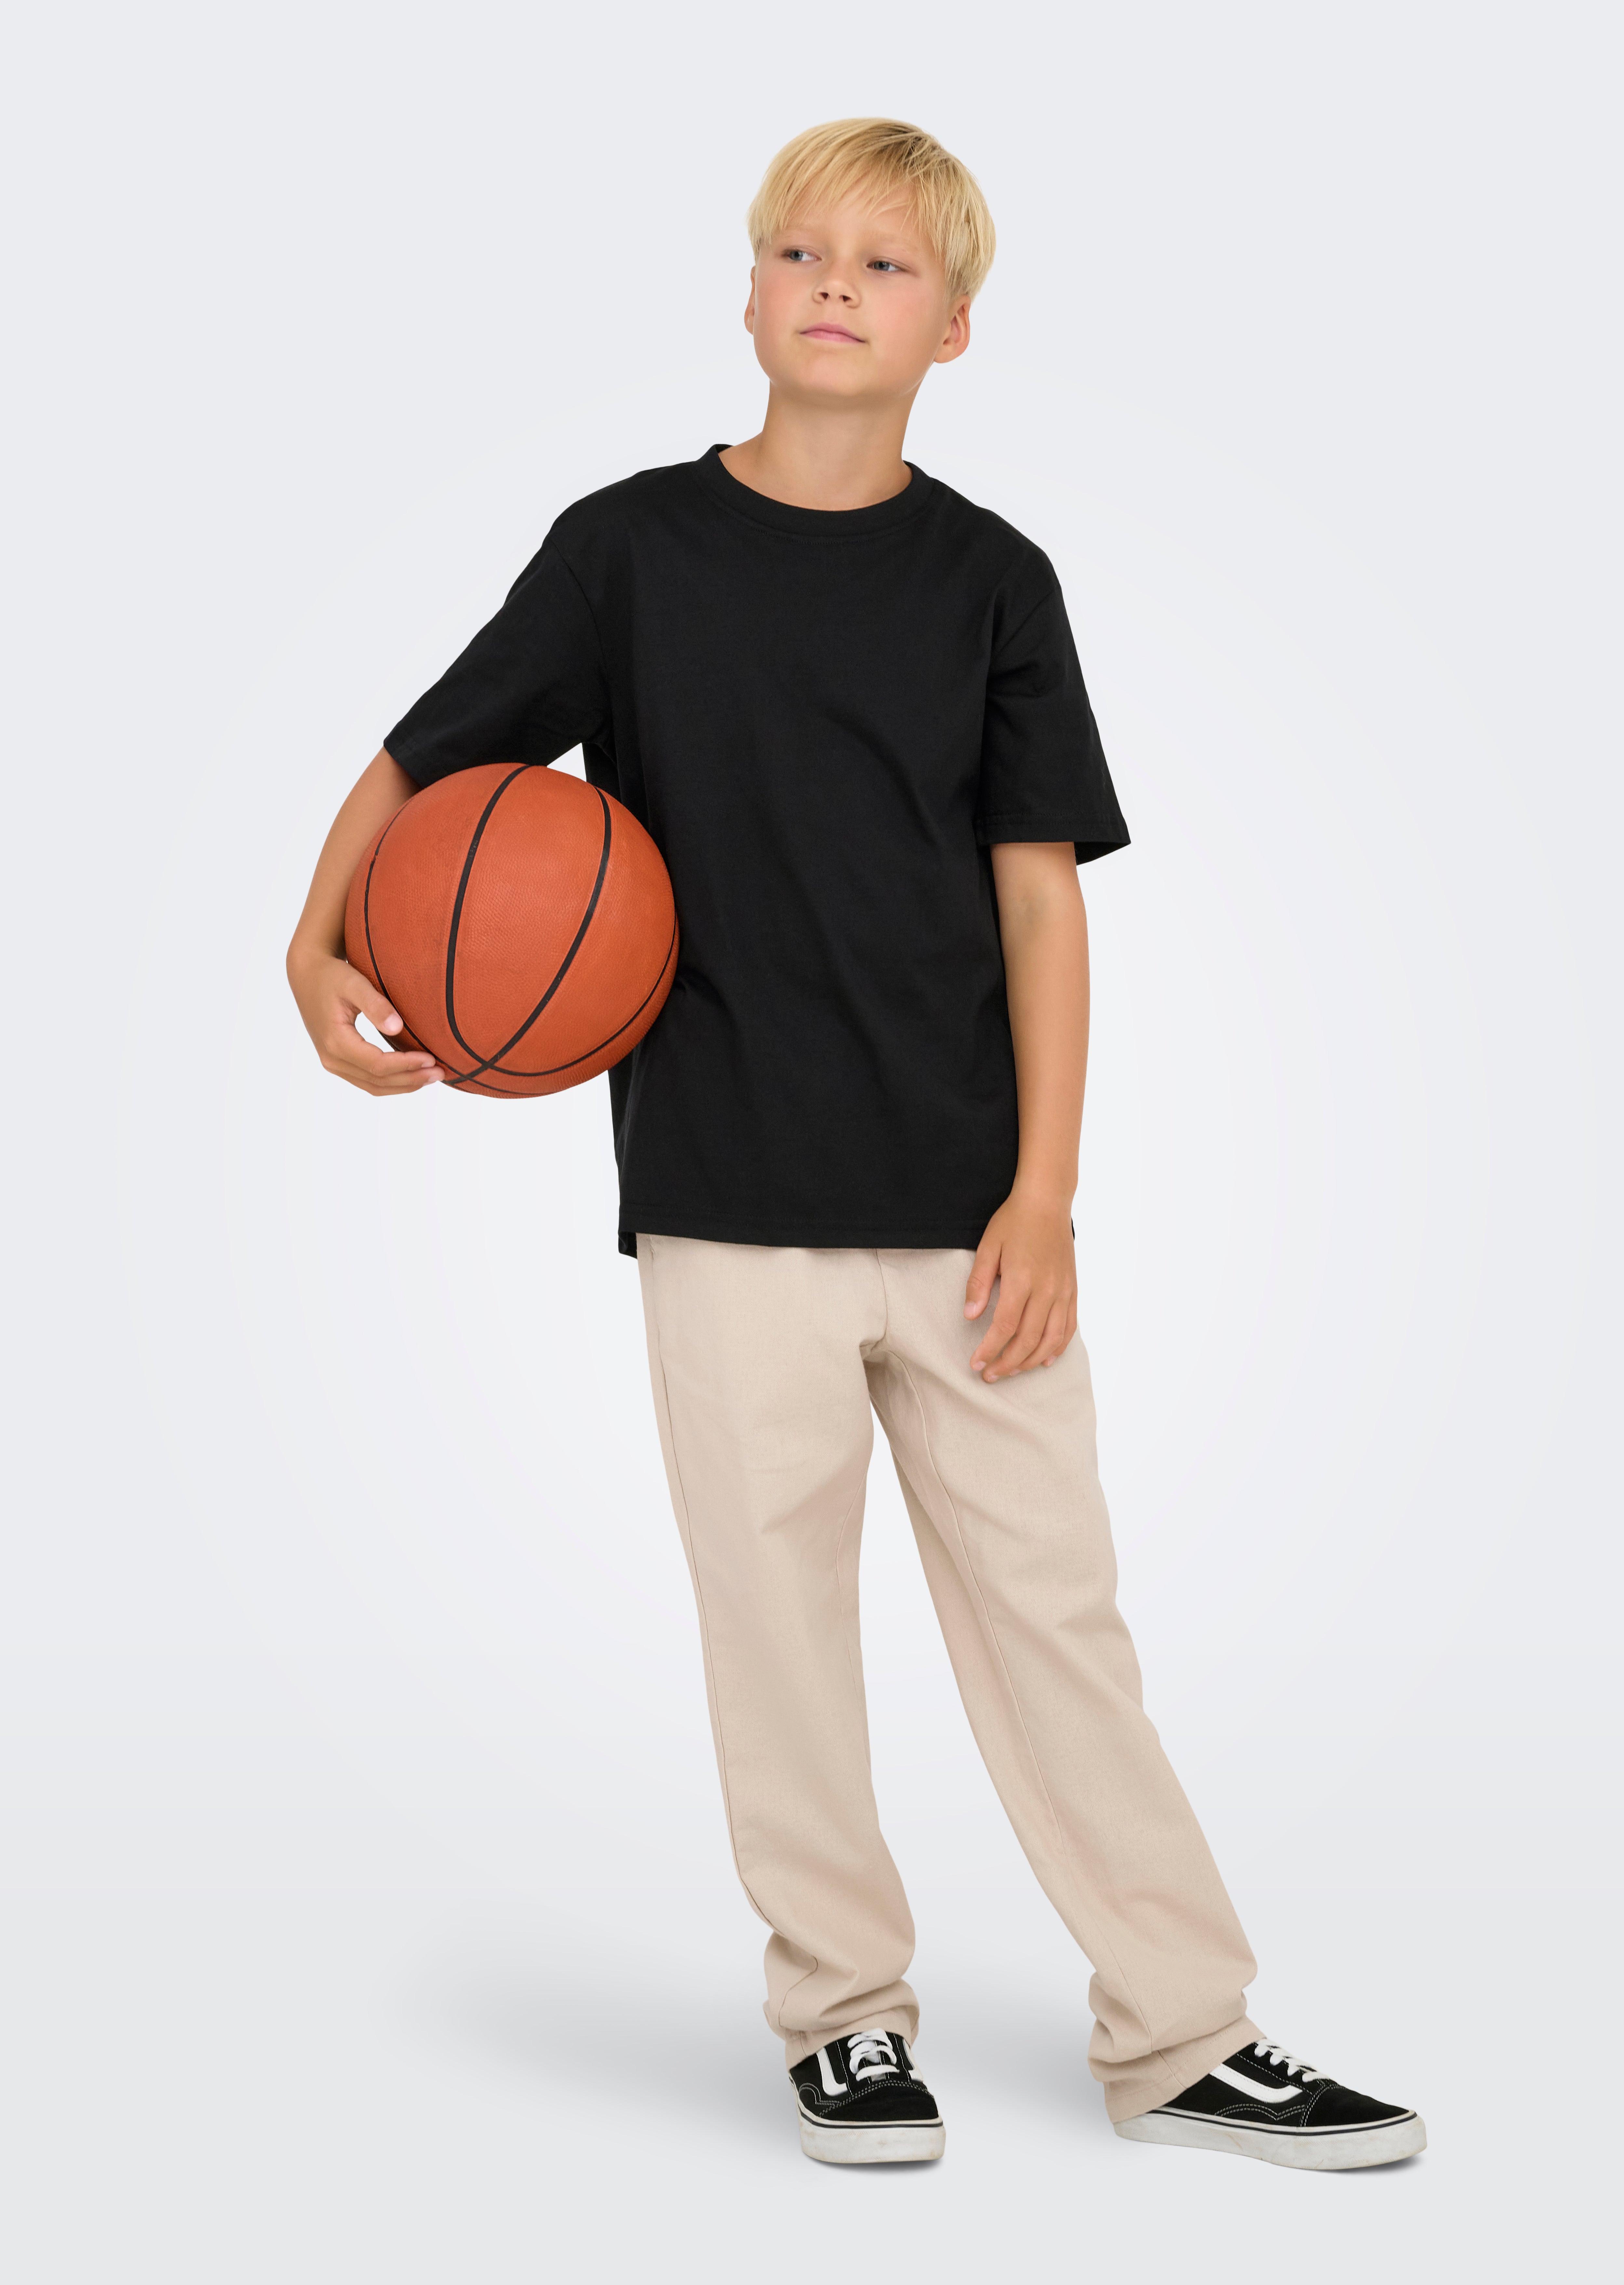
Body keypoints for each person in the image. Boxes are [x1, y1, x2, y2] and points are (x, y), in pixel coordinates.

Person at [287, 117, 1424, 2172]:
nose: (833, 284)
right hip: (724, 1205)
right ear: (745, 294)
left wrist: (1045, 1191)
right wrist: (313, 939)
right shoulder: (625, 552)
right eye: (799, 250)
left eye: (885, 265)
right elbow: (424, 755)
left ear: (952, 329)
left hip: (969, 1209)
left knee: (1057, 1617)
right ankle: (843, 2015)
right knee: (779, 1623)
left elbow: (1039, 903)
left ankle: (1181, 2030)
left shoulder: (991, 581)